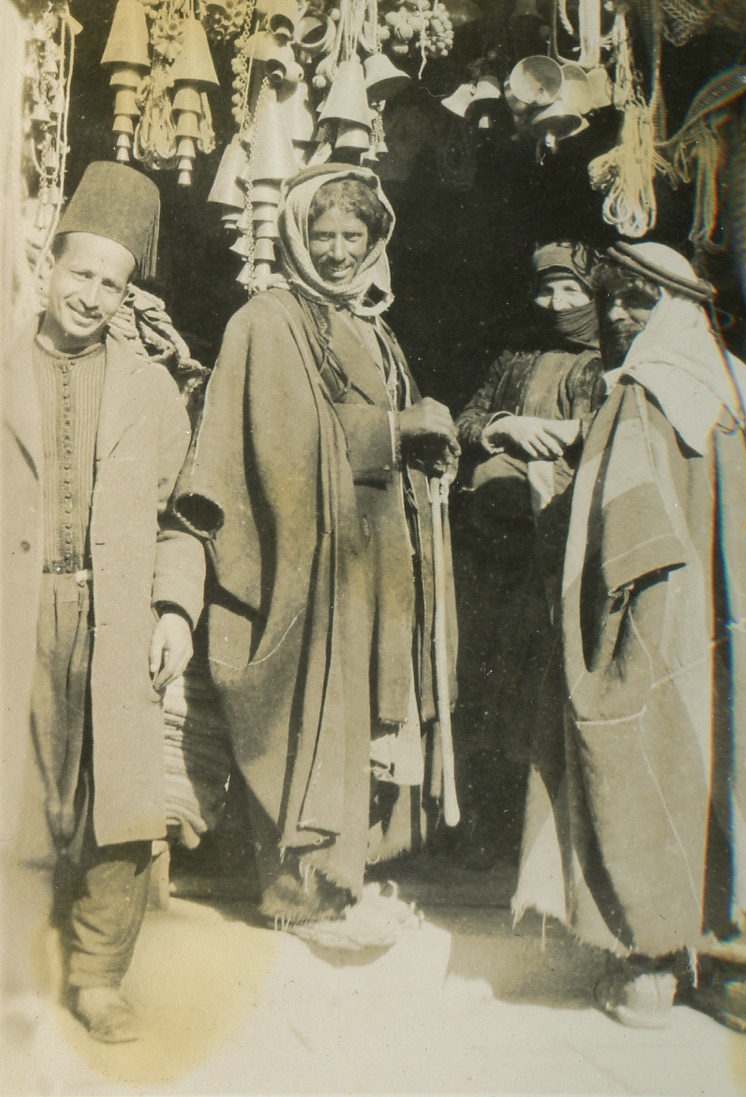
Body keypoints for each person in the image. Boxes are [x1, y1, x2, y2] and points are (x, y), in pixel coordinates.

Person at [513, 241, 746, 1034]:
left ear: (677, 310)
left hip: (667, 627)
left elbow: (625, 530)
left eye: (637, 302)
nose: (618, 315)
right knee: (741, 762)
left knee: (651, 763)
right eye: (614, 299)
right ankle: (745, 971)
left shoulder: (640, 394)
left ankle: (649, 963)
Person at [174, 163, 460, 945]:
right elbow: (279, 445)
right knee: (308, 713)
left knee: (361, 714)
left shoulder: (372, 326)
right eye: (323, 234)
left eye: (353, 235)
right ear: (296, 236)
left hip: (373, 557)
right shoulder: (267, 320)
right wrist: (397, 434)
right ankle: (298, 891)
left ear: (375, 239)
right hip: (306, 560)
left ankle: (343, 877)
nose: (337, 252)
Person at [15, 161, 205, 1044]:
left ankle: (97, 978)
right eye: (81, 272)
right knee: (16, 793)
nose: (91, 295)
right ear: (49, 266)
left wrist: (174, 610)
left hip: (115, 616)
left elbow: (184, 520)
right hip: (17, 616)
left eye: (112, 282)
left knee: (117, 805)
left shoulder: (154, 391)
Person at [452, 242, 604, 867]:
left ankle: (538, 838)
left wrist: (571, 434)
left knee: (538, 682)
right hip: (493, 545)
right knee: (482, 679)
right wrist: (502, 427)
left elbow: (614, 431)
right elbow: (467, 419)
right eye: (547, 291)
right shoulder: (514, 357)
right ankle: (480, 828)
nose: (556, 304)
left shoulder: (609, 363)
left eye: (572, 292)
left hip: (558, 547)